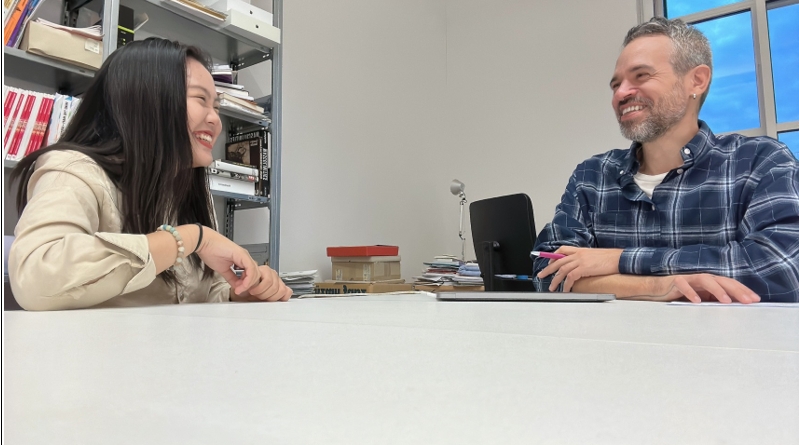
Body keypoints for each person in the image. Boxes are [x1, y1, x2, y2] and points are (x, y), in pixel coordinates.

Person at [8, 38, 292, 310]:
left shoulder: (184, 187)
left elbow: (196, 291)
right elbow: (35, 278)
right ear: (148, 100)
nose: (215, 120)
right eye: (201, 100)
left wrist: (237, 292)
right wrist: (189, 239)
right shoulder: (73, 169)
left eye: (216, 107)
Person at [532, 17, 799, 303]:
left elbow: (780, 269)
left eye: (641, 76)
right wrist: (660, 286)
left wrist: (618, 260)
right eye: (616, 84)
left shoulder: (759, 162)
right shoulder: (592, 176)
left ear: (697, 80)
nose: (620, 93)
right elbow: (548, 272)